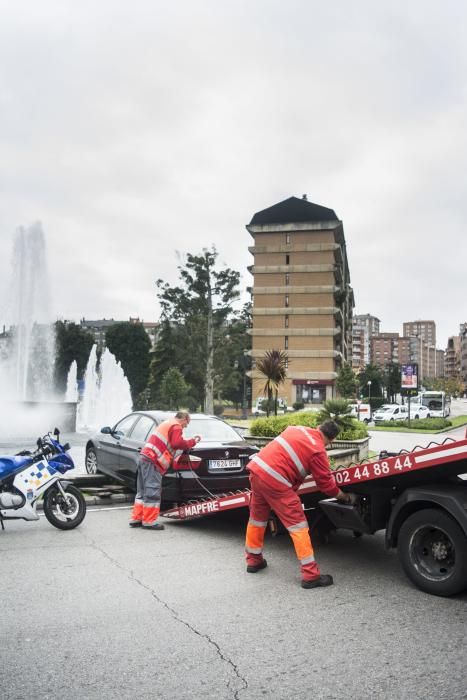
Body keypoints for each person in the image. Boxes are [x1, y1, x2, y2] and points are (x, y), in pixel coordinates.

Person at [244, 420, 352, 588]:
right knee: (298, 525)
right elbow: (326, 484)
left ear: (319, 428)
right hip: (276, 481)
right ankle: (311, 575)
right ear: (331, 440)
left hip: (257, 472)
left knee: (257, 519)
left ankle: (253, 560)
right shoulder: (318, 450)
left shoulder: (297, 429)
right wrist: (343, 496)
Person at [129, 411, 201, 531]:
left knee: (142, 491)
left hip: (145, 457)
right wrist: (191, 442)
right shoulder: (176, 426)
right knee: (152, 490)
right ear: (183, 419)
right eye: (186, 424)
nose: (185, 427)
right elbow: (176, 443)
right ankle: (149, 521)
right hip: (153, 460)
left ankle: (137, 518)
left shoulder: (167, 422)